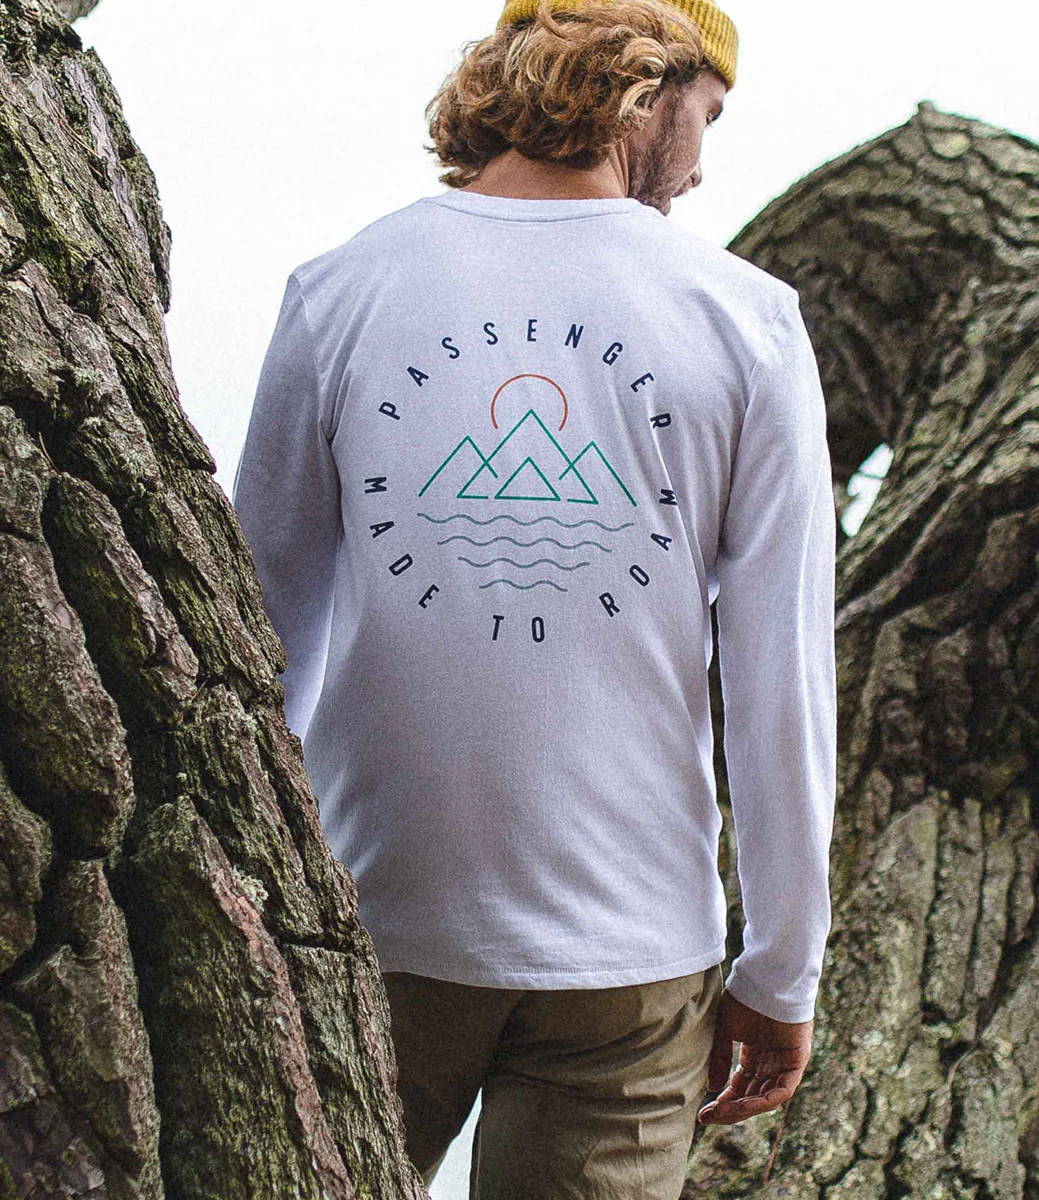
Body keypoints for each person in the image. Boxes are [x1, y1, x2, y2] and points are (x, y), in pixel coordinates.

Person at [230, 0, 838, 1194]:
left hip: (361, 917)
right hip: (628, 959)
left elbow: (252, 638)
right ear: (649, 88)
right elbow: (783, 682)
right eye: (709, 118)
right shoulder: (748, 322)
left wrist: (247, 894)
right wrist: (782, 969)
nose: (702, 169)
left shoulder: (342, 288)